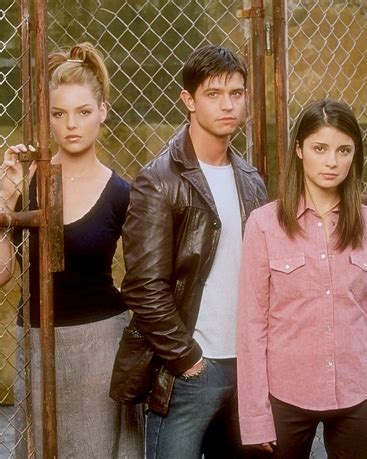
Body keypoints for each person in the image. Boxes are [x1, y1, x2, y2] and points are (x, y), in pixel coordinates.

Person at [120, 44, 267, 459]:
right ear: (188, 100)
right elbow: (143, 287)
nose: (227, 105)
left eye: (236, 93)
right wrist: (187, 359)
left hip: (246, 370)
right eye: (213, 94)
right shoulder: (159, 180)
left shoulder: (251, 179)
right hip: (190, 372)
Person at [237, 99, 367, 458]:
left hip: (358, 392)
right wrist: (255, 417)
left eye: (344, 150)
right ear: (299, 149)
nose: (332, 161)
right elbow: (252, 326)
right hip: (286, 393)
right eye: (320, 148)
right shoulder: (264, 225)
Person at [0, 42, 144, 458]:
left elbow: (144, 281)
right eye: (59, 114)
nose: (71, 125)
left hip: (101, 341)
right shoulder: (27, 182)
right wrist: (6, 200)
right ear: (47, 118)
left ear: (103, 111)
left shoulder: (121, 192)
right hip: (36, 338)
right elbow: (2, 274)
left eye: (83, 111)